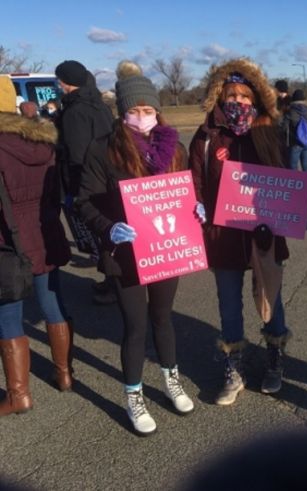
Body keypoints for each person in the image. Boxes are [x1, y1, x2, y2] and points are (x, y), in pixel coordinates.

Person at [76, 61, 195, 436]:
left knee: (163, 318)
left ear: (157, 111)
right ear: (122, 112)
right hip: (124, 254)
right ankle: (134, 395)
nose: (142, 116)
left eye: (148, 110)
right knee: (135, 326)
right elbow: (84, 202)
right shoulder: (103, 150)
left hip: (166, 250)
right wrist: (110, 228)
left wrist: (197, 208)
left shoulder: (175, 147)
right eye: (134, 110)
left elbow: (186, 190)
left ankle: (171, 380)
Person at [189, 58, 292, 405]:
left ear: (256, 99)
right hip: (224, 235)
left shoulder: (268, 131)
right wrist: (198, 208)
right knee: (229, 305)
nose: (239, 101)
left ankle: (275, 356)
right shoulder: (206, 137)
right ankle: (234, 369)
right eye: (231, 94)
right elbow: (196, 184)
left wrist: (276, 220)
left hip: (265, 232)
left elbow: (284, 184)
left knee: (270, 301)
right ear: (219, 97)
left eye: (246, 96)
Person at [0, 75, 73, 415]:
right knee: (52, 305)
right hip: (45, 232)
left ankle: (19, 395)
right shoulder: (43, 141)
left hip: (9, 241)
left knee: (9, 316)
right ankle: (64, 374)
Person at [55, 59, 115, 305]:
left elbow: (76, 154)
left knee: (98, 232)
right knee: (109, 228)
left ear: (66, 82)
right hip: (107, 175)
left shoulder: (74, 112)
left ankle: (113, 284)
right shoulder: (100, 106)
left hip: (86, 180)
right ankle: (113, 279)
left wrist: (73, 189)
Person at [283, 89, 307, 171]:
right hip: (306, 142)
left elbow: (284, 127)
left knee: (293, 166)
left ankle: (295, 183)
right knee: (306, 165)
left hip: (294, 143)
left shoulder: (290, 112)